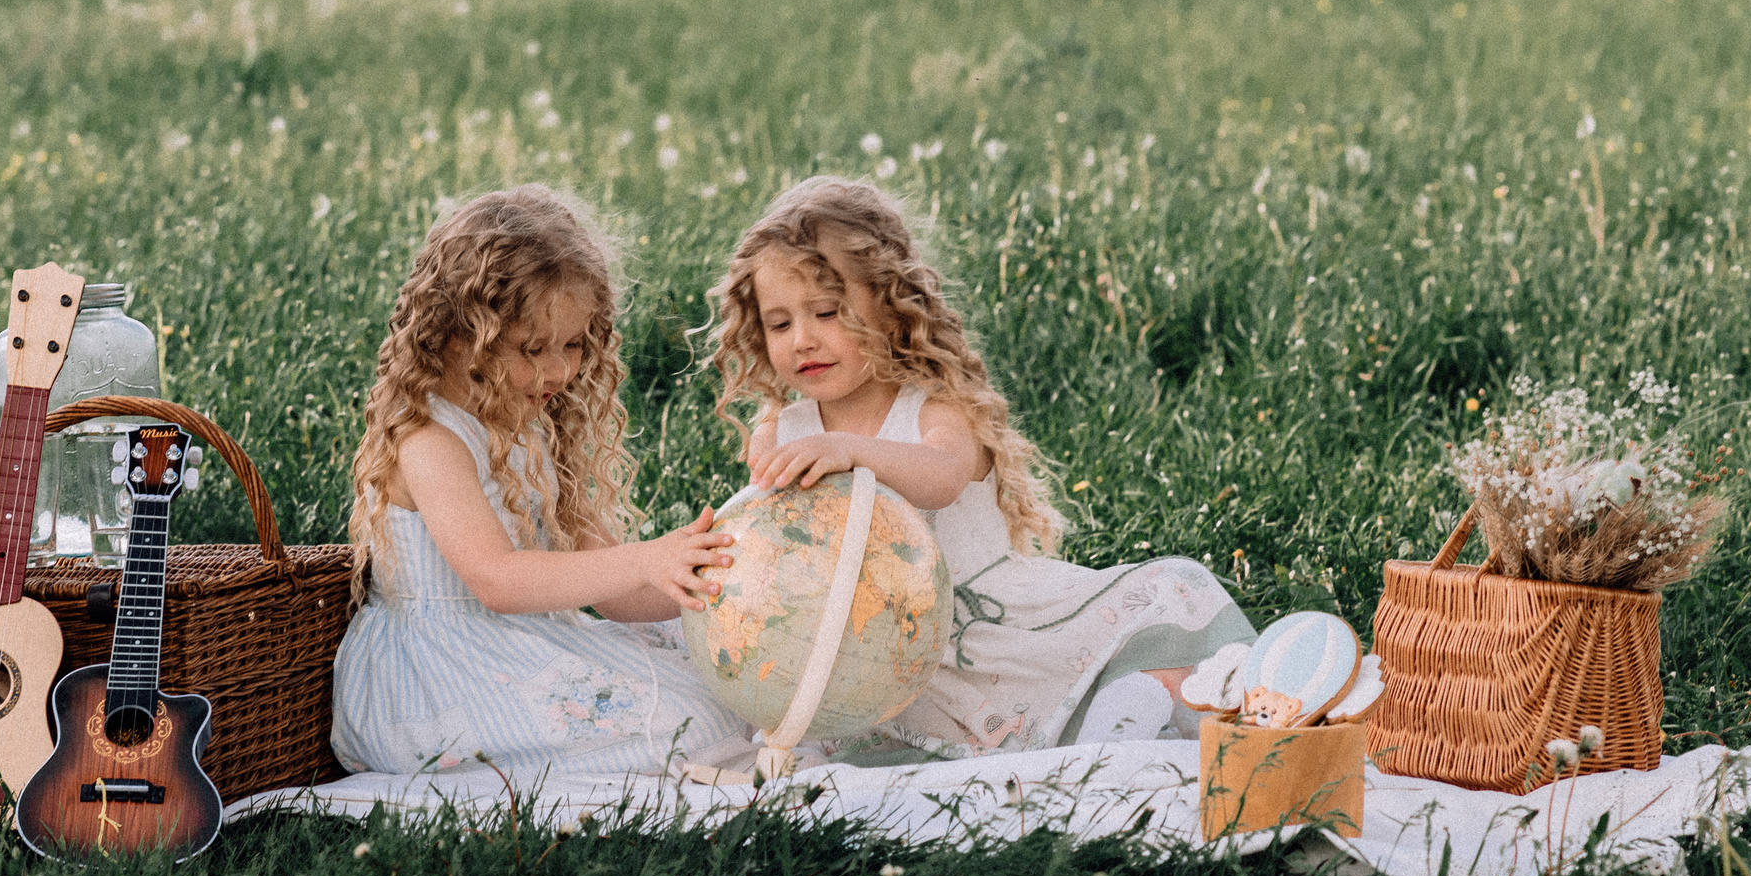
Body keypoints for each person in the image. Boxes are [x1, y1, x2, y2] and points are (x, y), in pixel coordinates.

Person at [706, 176, 1254, 760]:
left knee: (1173, 587)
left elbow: (941, 476)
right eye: (780, 323)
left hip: (990, 625)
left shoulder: (935, 408)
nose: (803, 340)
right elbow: (769, 535)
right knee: (853, 736)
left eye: (827, 312)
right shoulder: (784, 430)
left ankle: (1159, 717)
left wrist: (851, 451)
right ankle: (1107, 734)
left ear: (891, 310)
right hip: (880, 648)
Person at [331, 186, 754, 780]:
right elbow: (498, 581)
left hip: (523, 642)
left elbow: (611, 588)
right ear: (456, 334)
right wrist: (644, 559)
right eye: (532, 349)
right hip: (438, 682)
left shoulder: (530, 424)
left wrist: (699, 579)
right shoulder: (430, 440)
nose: (559, 371)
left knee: (717, 685)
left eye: (575, 344)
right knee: (686, 721)